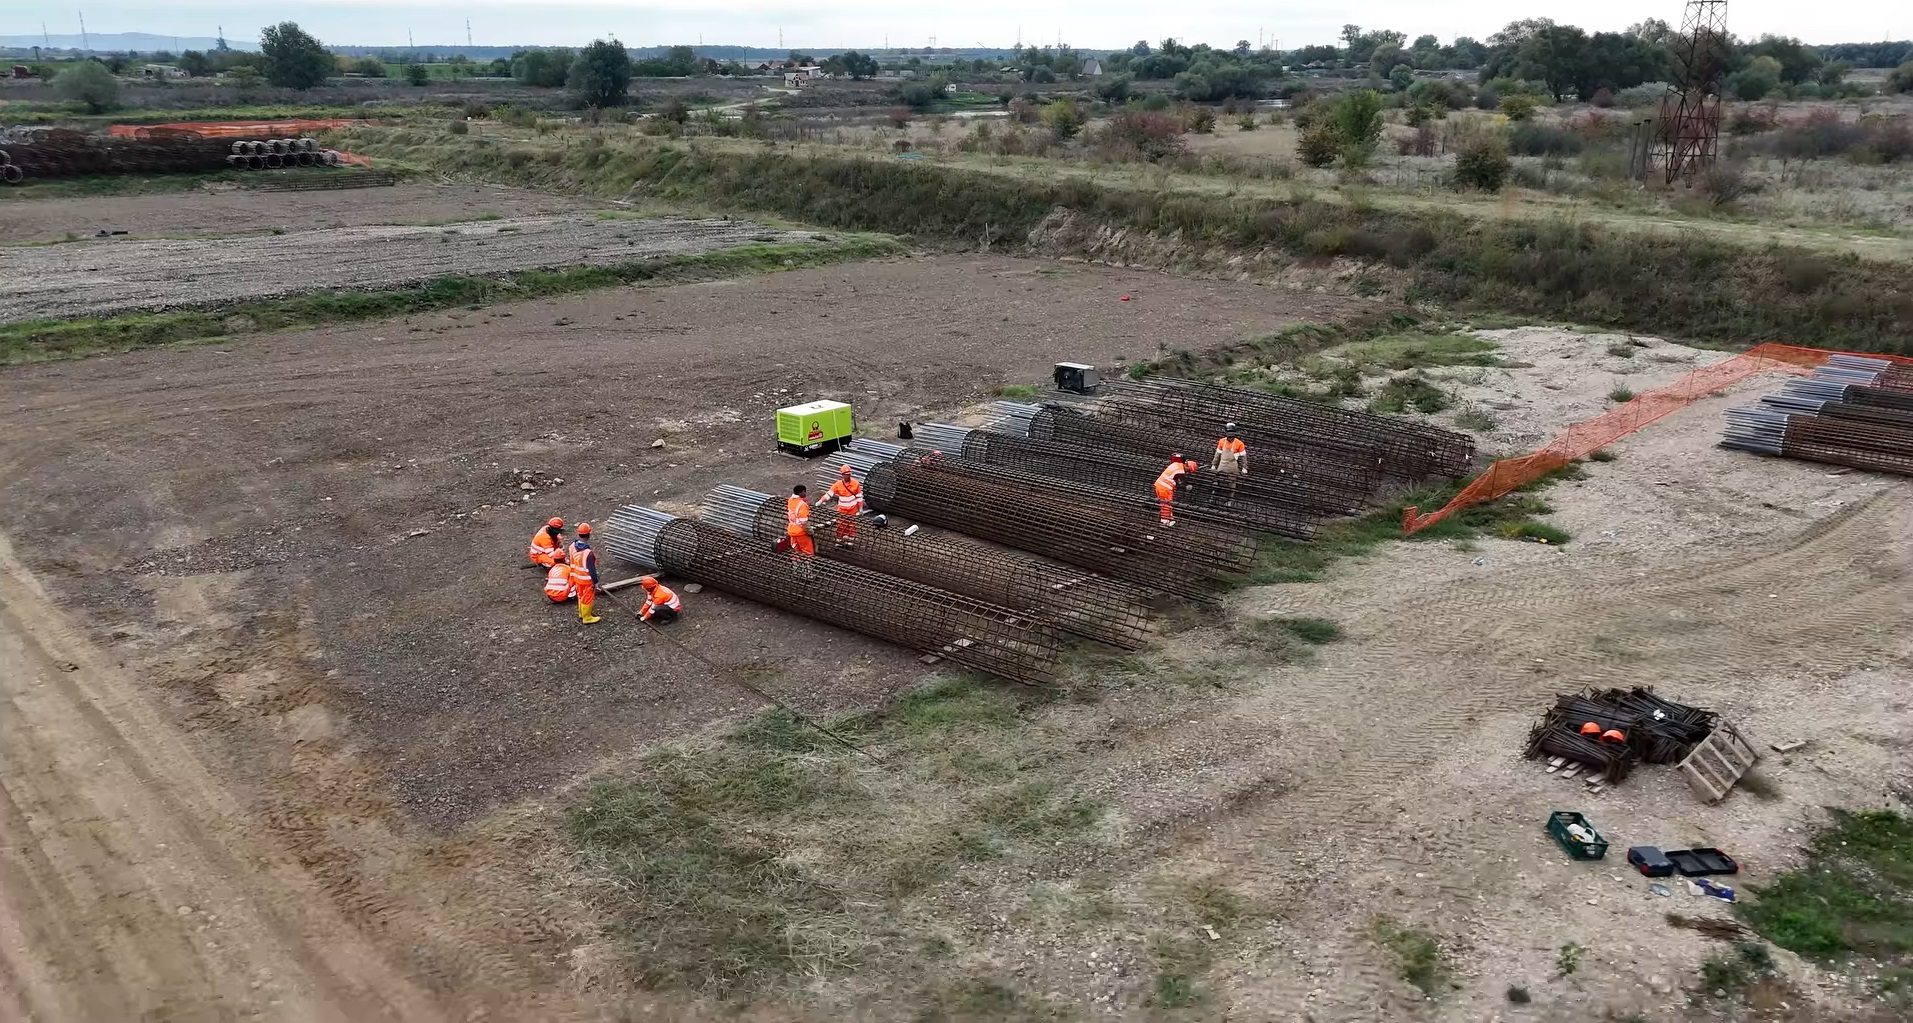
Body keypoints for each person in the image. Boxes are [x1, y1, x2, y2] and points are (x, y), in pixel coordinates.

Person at [819, 464, 865, 547]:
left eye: (849, 474)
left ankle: (849, 540)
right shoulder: (838, 484)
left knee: (851, 525)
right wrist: (821, 500)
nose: (848, 476)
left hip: (852, 509)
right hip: (842, 509)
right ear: (842, 475)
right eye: (846, 474)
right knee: (840, 524)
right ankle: (839, 540)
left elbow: (859, 497)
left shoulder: (855, 484)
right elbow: (829, 494)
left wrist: (860, 508)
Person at [567, 522, 601, 624]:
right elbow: (591, 569)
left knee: (580, 595)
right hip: (585, 580)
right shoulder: (588, 553)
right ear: (589, 534)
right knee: (587, 597)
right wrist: (596, 582)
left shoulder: (572, 546)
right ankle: (587, 617)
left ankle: (582, 614)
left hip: (575, 577)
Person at [1153, 454, 1197, 526]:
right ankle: (1164, 522)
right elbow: (1183, 482)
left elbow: (1175, 478)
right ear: (1187, 466)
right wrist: (1188, 486)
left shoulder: (1176, 464)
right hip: (1165, 488)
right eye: (1188, 470)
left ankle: (1170, 520)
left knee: (1166, 504)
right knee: (1166, 505)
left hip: (1159, 485)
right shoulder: (1180, 470)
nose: (1187, 472)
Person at [785, 484, 815, 576]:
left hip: (792, 532)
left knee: (796, 552)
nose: (805, 493)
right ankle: (808, 574)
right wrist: (810, 532)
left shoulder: (790, 500)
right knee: (807, 553)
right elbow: (804, 522)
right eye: (804, 491)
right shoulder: (802, 504)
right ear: (800, 492)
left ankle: (797, 572)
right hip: (801, 533)